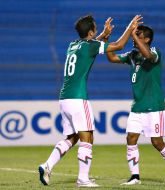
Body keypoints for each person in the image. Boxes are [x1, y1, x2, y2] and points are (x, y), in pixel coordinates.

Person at [38, 14, 143, 188]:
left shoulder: (73, 45)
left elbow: (92, 45)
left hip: (64, 98)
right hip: (78, 98)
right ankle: (83, 179)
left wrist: (103, 35)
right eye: (95, 28)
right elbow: (119, 45)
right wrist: (130, 28)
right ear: (91, 31)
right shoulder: (90, 45)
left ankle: (47, 165)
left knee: (71, 137)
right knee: (87, 137)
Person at [106, 25, 165, 186]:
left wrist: (132, 36)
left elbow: (148, 55)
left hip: (153, 105)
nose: (134, 37)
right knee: (131, 138)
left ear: (147, 39)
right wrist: (107, 39)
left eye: (138, 34)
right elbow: (112, 58)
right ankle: (135, 176)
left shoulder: (155, 52)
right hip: (137, 105)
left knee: (157, 142)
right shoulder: (133, 54)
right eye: (135, 34)